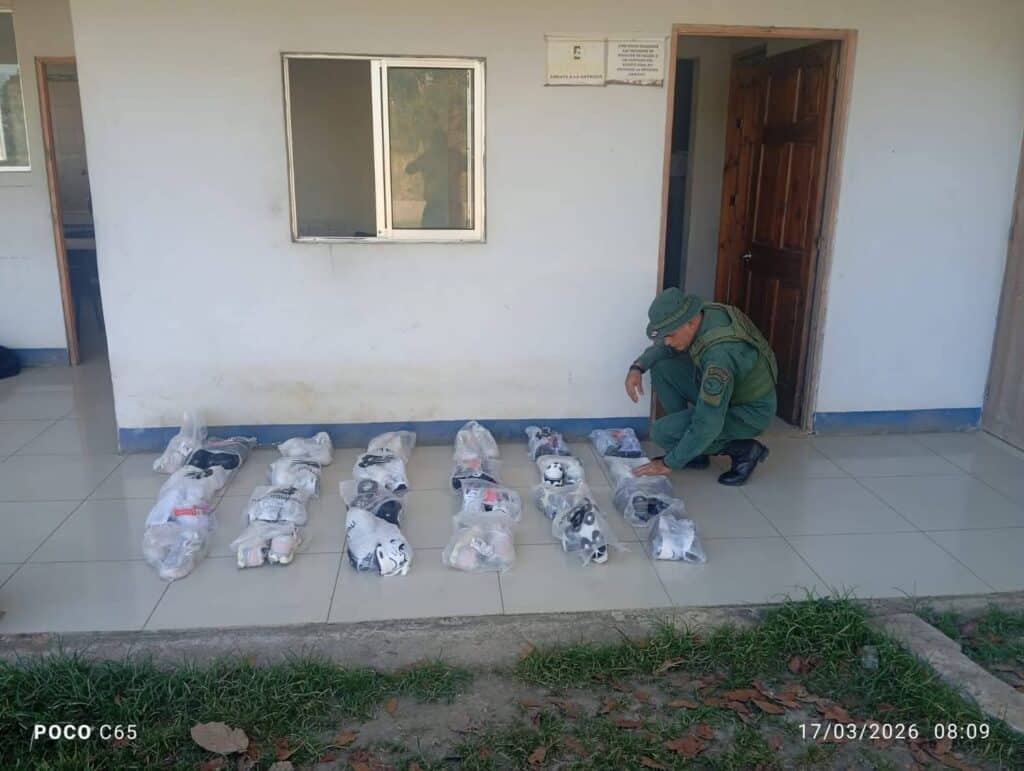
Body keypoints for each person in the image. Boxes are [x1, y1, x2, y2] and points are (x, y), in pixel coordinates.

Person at [625, 289, 777, 486]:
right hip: (733, 391)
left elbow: (707, 423)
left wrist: (670, 462)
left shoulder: (719, 358)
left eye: (670, 334)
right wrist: (638, 367)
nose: (667, 341)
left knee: (662, 433)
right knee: (662, 366)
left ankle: (745, 450)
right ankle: (693, 450)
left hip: (749, 411)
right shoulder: (702, 313)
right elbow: (664, 346)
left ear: (690, 323)